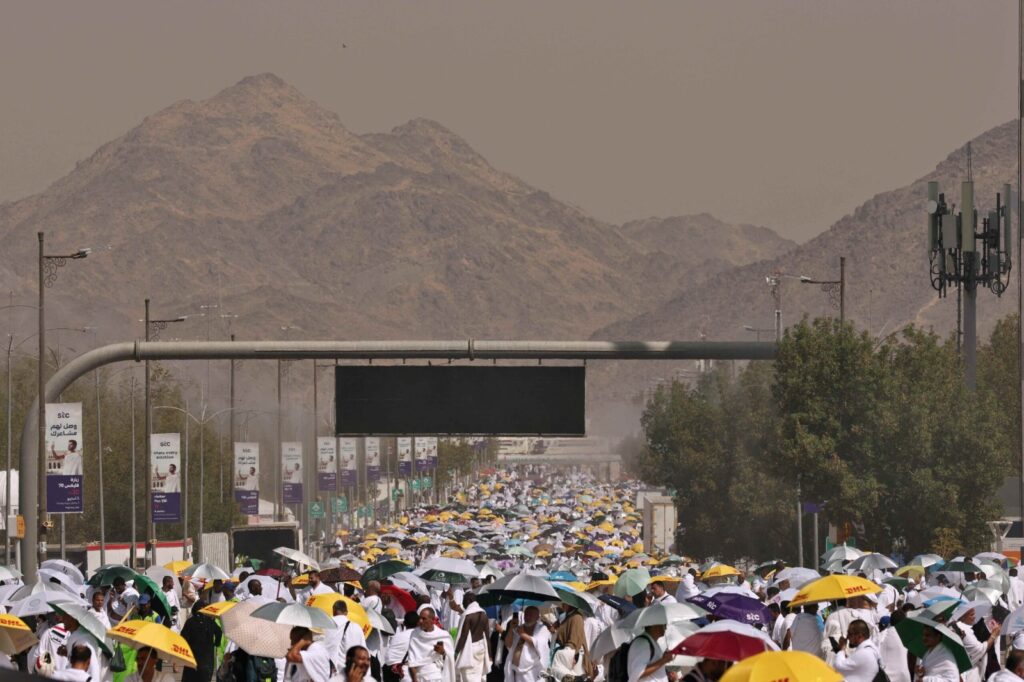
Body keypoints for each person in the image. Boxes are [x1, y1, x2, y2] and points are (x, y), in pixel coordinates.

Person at [406, 607, 454, 682]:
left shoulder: (443, 635)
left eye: (424, 618)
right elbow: (412, 662)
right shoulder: (415, 634)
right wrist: (415, 680)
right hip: (421, 676)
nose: (421, 621)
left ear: (432, 620)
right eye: (420, 618)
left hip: (437, 676)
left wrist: (443, 652)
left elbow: (451, 659)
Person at [502, 606, 548, 682]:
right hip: (516, 671)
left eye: (530, 615)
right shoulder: (519, 628)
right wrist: (511, 628)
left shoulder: (542, 629)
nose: (527, 617)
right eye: (526, 614)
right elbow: (508, 644)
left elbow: (540, 644)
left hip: (532, 671)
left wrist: (523, 634)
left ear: (537, 617)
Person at [181, 601, 222, 682]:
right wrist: (217, 643)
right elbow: (219, 632)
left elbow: (183, 637)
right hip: (206, 659)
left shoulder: (190, 621)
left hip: (192, 657)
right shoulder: (210, 622)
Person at [454, 594, 490, 682]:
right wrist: (490, 654)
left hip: (469, 651)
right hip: (481, 648)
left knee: (468, 677)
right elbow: (487, 636)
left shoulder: (468, 616)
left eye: (464, 601)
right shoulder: (484, 614)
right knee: (477, 676)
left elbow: (463, 637)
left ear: (469, 600)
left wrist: (455, 652)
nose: (463, 604)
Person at [325, 599, 368, 673]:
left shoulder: (325, 624)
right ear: (346, 612)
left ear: (333, 611)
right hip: (349, 672)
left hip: (330, 672)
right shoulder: (356, 627)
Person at [555, 604, 595, 680]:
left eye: (564, 603)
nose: (562, 605)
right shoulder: (568, 616)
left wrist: (570, 658)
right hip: (568, 655)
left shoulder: (576, 617)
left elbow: (573, 641)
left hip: (574, 657)